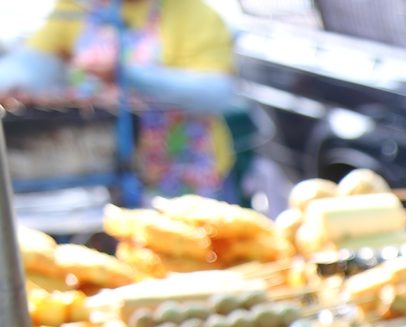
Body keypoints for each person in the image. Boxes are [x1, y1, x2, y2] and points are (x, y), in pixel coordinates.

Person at [0, 0, 239, 197]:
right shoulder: (77, 7)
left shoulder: (193, 13)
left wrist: (127, 74)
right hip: (104, 174)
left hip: (180, 175)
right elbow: (32, 64)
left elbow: (215, 93)